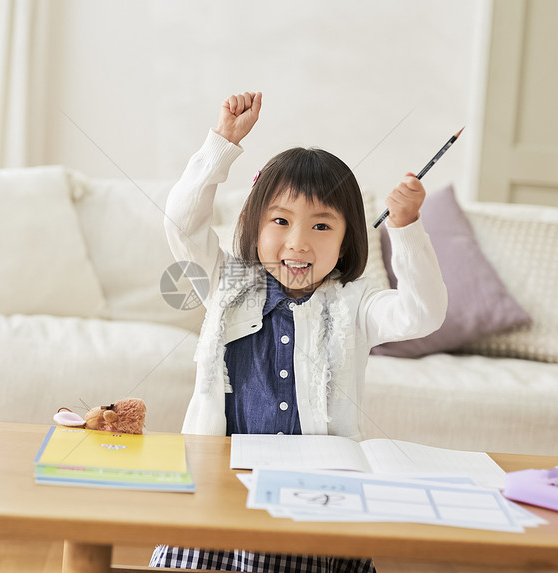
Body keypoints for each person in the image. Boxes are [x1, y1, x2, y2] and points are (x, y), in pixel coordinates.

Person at [150, 91, 447, 573]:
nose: (298, 243)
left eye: (322, 226)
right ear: (253, 222)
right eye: (281, 221)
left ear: (349, 237)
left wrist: (407, 227)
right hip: (221, 491)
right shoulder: (228, 283)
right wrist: (221, 143)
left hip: (318, 504)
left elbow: (423, 313)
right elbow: (182, 224)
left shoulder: (356, 303)